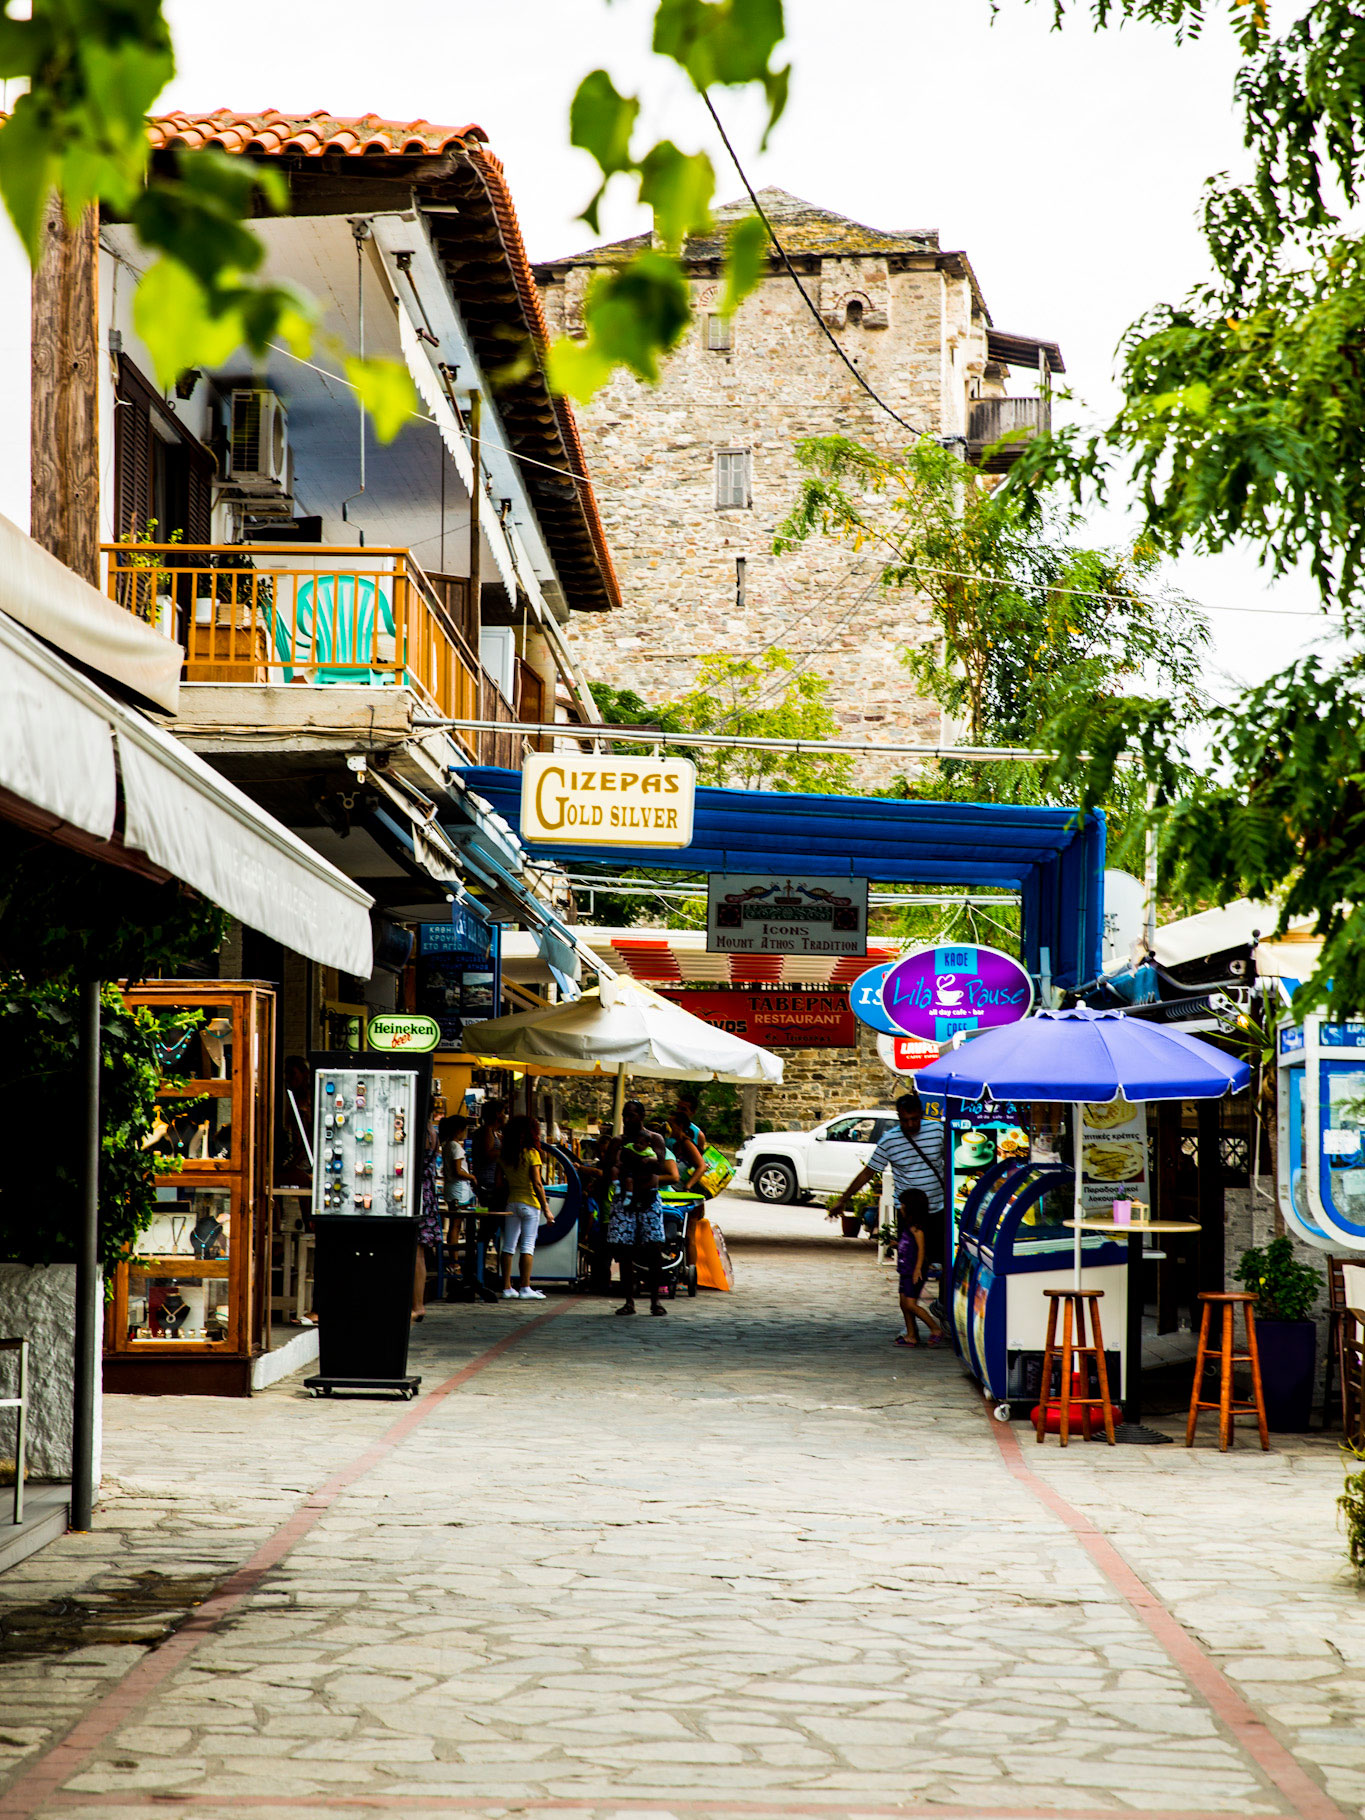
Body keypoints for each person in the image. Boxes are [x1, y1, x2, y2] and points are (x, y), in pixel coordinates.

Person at [829, 1092, 946, 1239]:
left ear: (921, 1115)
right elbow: (868, 1172)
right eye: (905, 1120)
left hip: (938, 1209)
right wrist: (842, 1200)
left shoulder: (937, 1131)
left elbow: (951, 1162)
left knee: (938, 1260)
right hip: (908, 1214)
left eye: (914, 1119)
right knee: (910, 1259)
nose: (910, 1125)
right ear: (899, 1117)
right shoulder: (889, 1140)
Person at [603, 1101, 678, 1316]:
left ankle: (655, 1301)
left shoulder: (655, 1139)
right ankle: (629, 1301)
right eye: (625, 1115)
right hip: (624, 1203)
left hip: (648, 1200)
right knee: (625, 1254)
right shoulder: (618, 1141)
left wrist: (630, 1160)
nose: (627, 1120)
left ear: (642, 1116)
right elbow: (609, 1170)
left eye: (632, 1115)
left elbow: (657, 1166)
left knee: (654, 1250)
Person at [498, 1114, 551, 1300]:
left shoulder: (504, 1155)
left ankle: (506, 1287)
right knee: (527, 1246)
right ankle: (525, 1287)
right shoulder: (532, 1153)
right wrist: (547, 1209)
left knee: (509, 1246)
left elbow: (499, 1183)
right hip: (530, 1204)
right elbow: (537, 1183)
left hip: (511, 1203)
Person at [463, 1099, 506, 1303]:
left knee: (491, 1229)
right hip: (488, 1187)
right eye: (504, 1112)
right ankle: (475, 1270)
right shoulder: (485, 1133)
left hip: (493, 1185)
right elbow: (489, 1155)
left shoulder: (494, 1133)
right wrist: (507, 1151)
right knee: (487, 1228)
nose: (505, 1115)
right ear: (497, 1113)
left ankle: (480, 1269)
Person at [894, 1187, 948, 1347]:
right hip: (905, 1270)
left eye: (903, 1205)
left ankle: (935, 1329)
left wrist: (917, 1269)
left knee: (910, 1304)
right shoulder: (909, 1227)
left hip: (913, 1271)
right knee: (904, 1303)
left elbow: (922, 1250)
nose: (901, 1208)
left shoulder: (917, 1229)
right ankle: (911, 1335)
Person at [439, 1113, 476, 1251]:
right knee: (456, 1224)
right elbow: (458, 1171)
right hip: (458, 1189)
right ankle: (454, 1262)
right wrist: (472, 1177)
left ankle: (453, 1260)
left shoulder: (447, 1145)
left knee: (455, 1224)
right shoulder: (455, 1147)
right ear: (458, 1130)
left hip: (451, 1187)